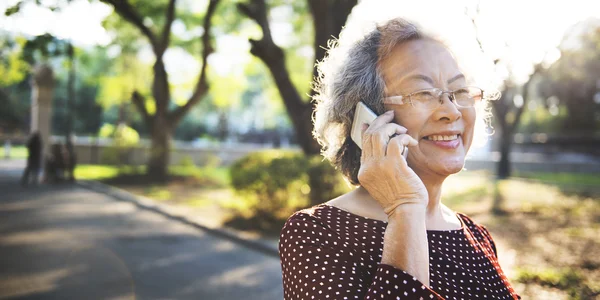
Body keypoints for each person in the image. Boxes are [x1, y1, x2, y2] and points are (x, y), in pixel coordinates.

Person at [279, 18, 521, 299]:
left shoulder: (477, 235)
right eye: (422, 93)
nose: (452, 111)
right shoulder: (316, 232)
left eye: (459, 92)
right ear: (366, 119)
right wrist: (405, 208)